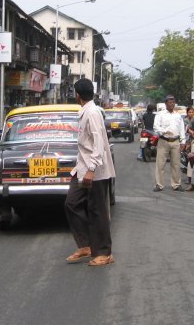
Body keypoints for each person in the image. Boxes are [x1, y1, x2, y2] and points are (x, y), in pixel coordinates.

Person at [65, 79, 116, 266]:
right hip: (82, 167)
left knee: (97, 211)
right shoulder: (85, 111)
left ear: (77, 94)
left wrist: (92, 169)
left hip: (94, 170)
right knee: (72, 202)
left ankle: (104, 252)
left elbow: (99, 143)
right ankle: (86, 245)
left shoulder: (93, 112)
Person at [153, 95, 186, 192]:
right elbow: (156, 127)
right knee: (160, 164)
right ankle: (159, 185)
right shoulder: (160, 114)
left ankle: (176, 184)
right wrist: (164, 131)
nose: (172, 104)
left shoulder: (178, 115)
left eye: (173, 102)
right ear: (166, 104)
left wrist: (183, 142)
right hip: (163, 141)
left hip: (175, 141)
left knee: (176, 164)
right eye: (170, 102)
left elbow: (181, 130)